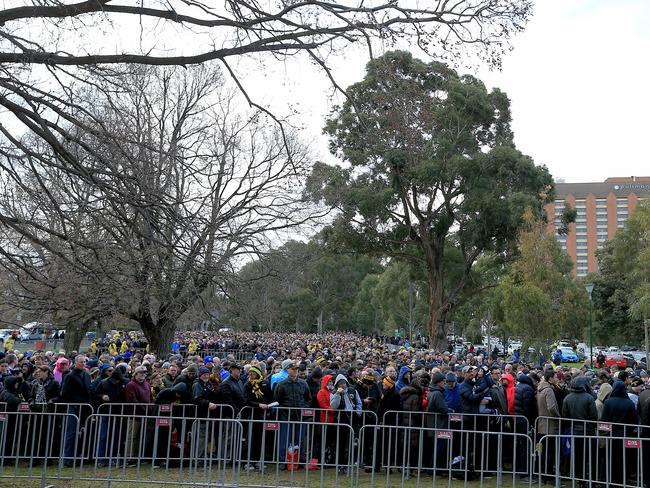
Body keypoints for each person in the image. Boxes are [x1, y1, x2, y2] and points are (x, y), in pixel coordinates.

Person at [273, 360, 311, 469]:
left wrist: (305, 408)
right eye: (293, 369)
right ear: (287, 370)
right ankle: (282, 461)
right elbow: (277, 400)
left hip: (300, 416)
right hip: (286, 416)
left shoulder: (303, 383)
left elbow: (308, 399)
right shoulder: (281, 385)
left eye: (296, 369)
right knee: (284, 440)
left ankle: (299, 461)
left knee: (300, 440)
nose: (295, 371)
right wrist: (283, 411)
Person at [601, 380, 639, 484]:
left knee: (610, 457)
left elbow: (604, 419)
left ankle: (608, 478)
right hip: (625, 434)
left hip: (612, 434)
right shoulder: (629, 403)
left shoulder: (608, 402)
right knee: (623, 458)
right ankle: (622, 479)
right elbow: (634, 420)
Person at [562, 376, 598, 484]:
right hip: (588, 432)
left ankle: (580, 479)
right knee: (590, 457)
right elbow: (594, 416)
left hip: (575, 432)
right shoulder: (589, 398)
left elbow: (565, 416)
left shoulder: (568, 398)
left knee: (578, 457)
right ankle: (591, 479)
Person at [60, 354, 91, 465]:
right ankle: (68, 458)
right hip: (74, 406)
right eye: (81, 362)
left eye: (84, 362)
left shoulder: (86, 375)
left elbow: (88, 390)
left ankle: (78, 456)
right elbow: (64, 392)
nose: (83, 364)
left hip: (85, 407)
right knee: (71, 432)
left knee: (81, 433)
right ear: (75, 362)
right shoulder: (70, 376)